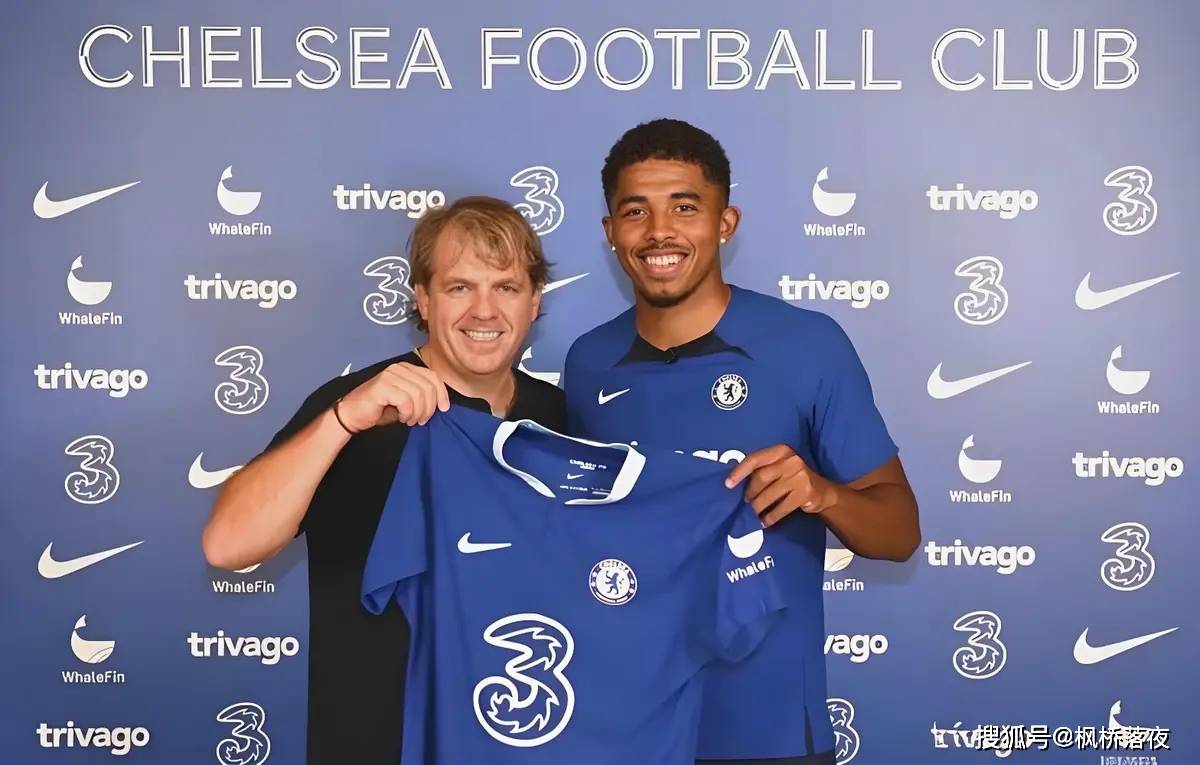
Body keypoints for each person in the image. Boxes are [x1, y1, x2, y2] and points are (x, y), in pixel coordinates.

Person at [561, 119, 921, 764]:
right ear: (611, 231)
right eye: (636, 211)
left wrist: (822, 494)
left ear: (725, 223)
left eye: (685, 207)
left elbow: (899, 534)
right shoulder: (588, 363)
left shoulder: (807, 345)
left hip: (769, 729)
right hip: (627, 727)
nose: (659, 231)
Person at [201, 195, 565, 765]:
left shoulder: (559, 419)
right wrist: (342, 421)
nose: (484, 310)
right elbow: (227, 545)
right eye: (460, 287)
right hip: (374, 743)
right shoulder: (355, 409)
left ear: (535, 301)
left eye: (506, 287)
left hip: (515, 737)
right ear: (423, 298)